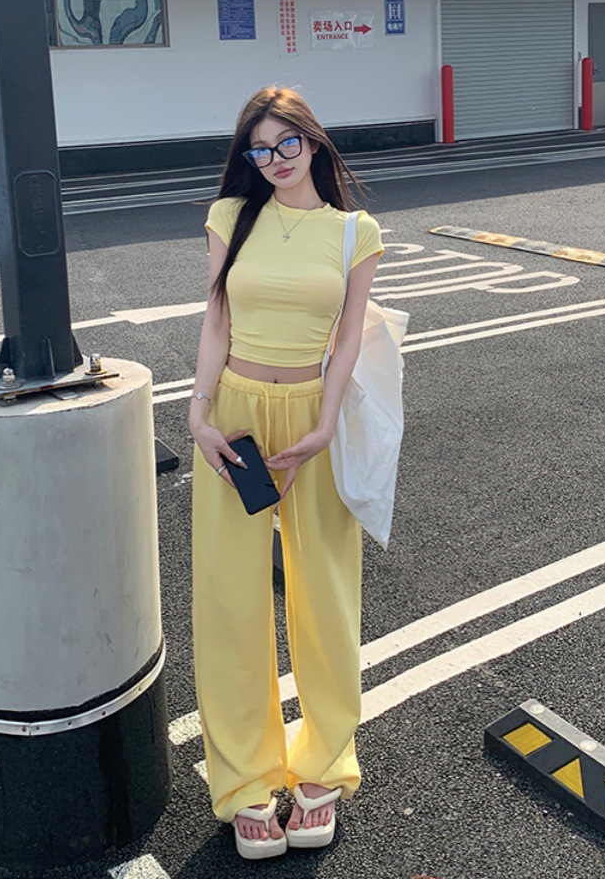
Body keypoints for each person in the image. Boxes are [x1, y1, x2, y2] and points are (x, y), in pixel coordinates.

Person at [189, 86, 383, 860]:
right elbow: (216, 320)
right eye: (259, 149)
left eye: (286, 144)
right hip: (234, 417)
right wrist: (198, 413)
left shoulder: (355, 233)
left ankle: (323, 765)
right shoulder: (230, 217)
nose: (273, 159)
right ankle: (243, 780)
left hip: (311, 420)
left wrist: (326, 425)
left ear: (314, 142)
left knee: (325, 590)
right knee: (229, 596)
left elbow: (348, 340)